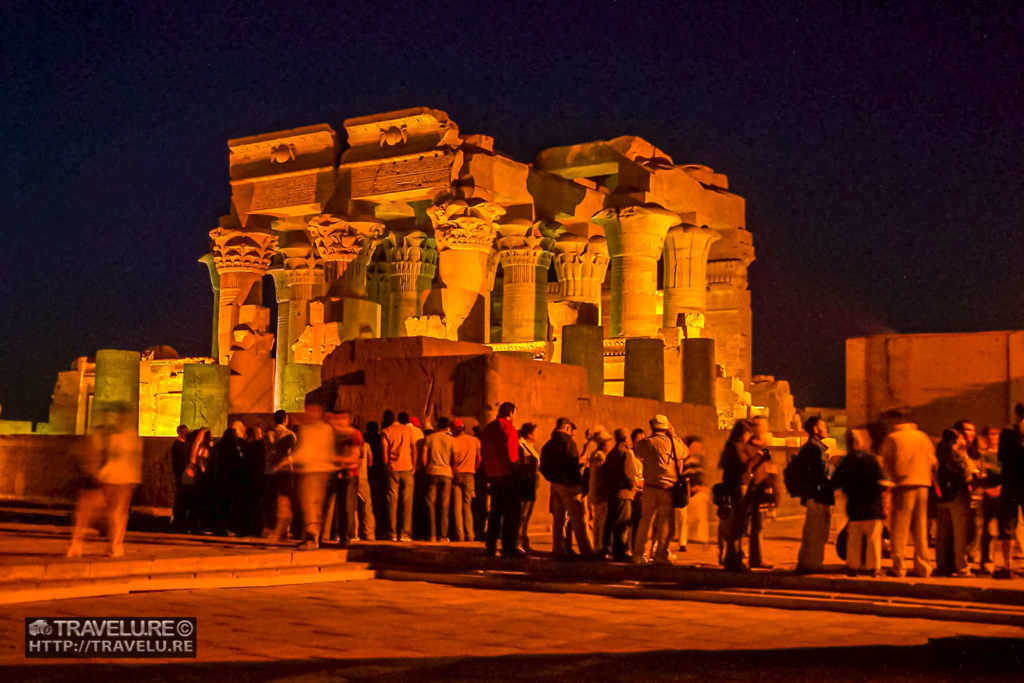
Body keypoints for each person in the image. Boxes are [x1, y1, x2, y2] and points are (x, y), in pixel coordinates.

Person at [67, 406, 143, 558]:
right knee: (102, 509)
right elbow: (102, 453)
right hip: (109, 477)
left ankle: (115, 544)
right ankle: (83, 542)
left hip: (123, 478)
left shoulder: (129, 436)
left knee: (116, 512)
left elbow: (132, 458)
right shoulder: (110, 435)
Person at [879, 408, 937, 578]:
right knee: (920, 528)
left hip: (903, 485)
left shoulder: (893, 438)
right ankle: (923, 567)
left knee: (900, 529)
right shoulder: (923, 437)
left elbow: (885, 464)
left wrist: (889, 481)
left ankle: (899, 566)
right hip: (923, 485)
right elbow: (934, 462)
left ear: (893, 420)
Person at [831, 429, 887, 576]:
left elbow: (836, 480)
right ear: (858, 443)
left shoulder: (846, 461)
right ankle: (874, 568)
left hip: (854, 506)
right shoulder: (871, 460)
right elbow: (879, 480)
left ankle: (852, 566)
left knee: (854, 539)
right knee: (873, 538)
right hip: (872, 505)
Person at [632, 414, 684, 565]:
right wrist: (674, 435)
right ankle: (660, 555)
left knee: (645, 522)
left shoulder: (646, 443)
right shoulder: (673, 443)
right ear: (667, 427)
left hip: (649, 488)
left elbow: (637, 451)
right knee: (665, 525)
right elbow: (684, 452)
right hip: (667, 489)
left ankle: (638, 554)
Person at [719, 419, 770, 572]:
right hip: (736, 489)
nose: (750, 436)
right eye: (748, 432)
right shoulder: (733, 446)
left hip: (742, 488)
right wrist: (757, 458)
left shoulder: (738, 446)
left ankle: (734, 560)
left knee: (739, 526)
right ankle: (732, 561)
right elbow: (743, 467)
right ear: (742, 433)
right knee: (736, 526)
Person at [541, 417, 594, 558]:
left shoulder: (548, 445)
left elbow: (543, 467)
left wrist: (554, 478)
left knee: (558, 520)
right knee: (578, 519)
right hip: (570, 486)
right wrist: (584, 457)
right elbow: (573, 463)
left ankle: (558, 550)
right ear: (567, 428)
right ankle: (586, 551)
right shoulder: (568, 443)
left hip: (554, 485)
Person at [290, 403, 338, 550]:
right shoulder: (326, 429)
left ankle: (312, 538)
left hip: (311, 472)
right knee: (315, 506)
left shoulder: (310, 429)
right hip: (322, 471)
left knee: (310, 505)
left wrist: (287, 461)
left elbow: (304, 452)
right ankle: (316, 537)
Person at [480, 402, 523, 557]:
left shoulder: (488, 428)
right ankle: (508, 546)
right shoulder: (507, 428)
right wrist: (517, 471)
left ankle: (490, 545)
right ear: (510, 412)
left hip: (493, 475)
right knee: (512, 513)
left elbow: (484, 453)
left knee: (495, 512)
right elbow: (511, 455)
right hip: (507, 476)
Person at [795, 416, 834, 574]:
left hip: (813, 494)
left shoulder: (810, 447)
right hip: (818, 495)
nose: (826, 429)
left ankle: (806, 562)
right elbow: (822, 473)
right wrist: (834, 470)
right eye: (823, 426)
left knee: (810, 530)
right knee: (817, 532)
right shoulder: (815, 448)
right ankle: (813, 564)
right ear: (816, 429)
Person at [934, 428, 972, 577]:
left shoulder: (939, 452)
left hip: (942, 497)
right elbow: (966, 473)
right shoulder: (955, 454)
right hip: (957, 496)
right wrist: (963, 452)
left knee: (942, 533)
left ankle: (942, 565)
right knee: (959, 534)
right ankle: (962, 567)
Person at [322, 411, 362, 546]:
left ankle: (345, 537)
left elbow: (355, 459)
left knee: (346, 507)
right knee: (330, 506)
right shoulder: (333, 435)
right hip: (335, 473)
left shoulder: (354, 435)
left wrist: (335, 459)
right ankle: (326, 535)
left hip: (349, 475)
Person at [995, 403, 1024, 579]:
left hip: (1011, 484)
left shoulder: (1008, 433)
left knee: (1007, 525)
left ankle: (1007, 566)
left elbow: (1001, 457)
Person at [602, 428, 638, 560]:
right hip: (624, 493)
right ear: (625, 439)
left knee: (611, 521)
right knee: (622, 523)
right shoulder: (626, 453)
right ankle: (619, 551)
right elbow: (628, 474)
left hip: (612, 492)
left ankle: (607, 549)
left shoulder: (611, 453)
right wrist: (632, 485)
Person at [382, 410, 416, 541]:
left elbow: (385, 452)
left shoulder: (386, 431)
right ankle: (405, 534)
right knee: (407, 502)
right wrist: (413, 465)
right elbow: (414, 448)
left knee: (392, 502)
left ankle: (392, 533)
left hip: (393, 469)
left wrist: (386, 466)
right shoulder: (408, 430)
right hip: (407, 468)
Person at [264, 410, 296, 541]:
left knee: (272, 500)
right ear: (285, 419)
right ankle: (283, 529)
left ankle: (273, 527)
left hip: (270, 470)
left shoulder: (268, 434)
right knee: (285, 499)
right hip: (285, 470)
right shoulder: (290, 435)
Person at [423, 417, 455, 542]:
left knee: (430, 505)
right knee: (444, 506)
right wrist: (451, 470)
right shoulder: (452, 440)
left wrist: (427, 469)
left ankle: (431, 535)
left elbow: (424, 458)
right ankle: (442, 536)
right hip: (446, 473)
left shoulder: (430, 438)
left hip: (432, 472)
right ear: (448, 427)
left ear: (437, 425)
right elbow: (455, 459)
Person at [450, 419, 480, 543]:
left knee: (457, 507)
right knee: (467, 506)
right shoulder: (475, 441)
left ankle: (460, 535)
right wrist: (474, 469)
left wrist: (452, 471)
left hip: (457, 474)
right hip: (470, 474)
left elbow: (455, 459)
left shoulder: (453, 441)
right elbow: (479, 458)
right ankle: (470, 534)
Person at [178, 427, 212, 534]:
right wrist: (203, 470)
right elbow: (199, 461)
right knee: (196, 503)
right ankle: (193, 525)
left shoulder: (205, 447)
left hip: (201, 480)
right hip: (198, 479)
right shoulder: (199, 448)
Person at [517, 422, 541, 552]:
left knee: (527, 515)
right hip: (525, 485)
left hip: (532, 485)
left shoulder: (530, 447)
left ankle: (524, 540)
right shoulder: (522, 446)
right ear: (529, 434)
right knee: (522, 515)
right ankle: (519, 541)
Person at [682, 436, 709, 545]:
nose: (696, 449)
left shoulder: (703, 462)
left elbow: (706, 478)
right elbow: (684, 477)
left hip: (700, 490)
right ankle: (688, 535)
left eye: (698, 447)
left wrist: (702, 488)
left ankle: (700, 536)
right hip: (688, 491)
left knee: (700, 501)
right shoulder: (685, 462)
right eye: (694, 447)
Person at [242, 425, 266, 537]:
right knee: (256, 504)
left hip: (248, 479)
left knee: (250, 504)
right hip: (256, 479)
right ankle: (254, 528)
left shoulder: (245, 446)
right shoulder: (259, 446)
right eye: (260, 434)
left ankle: (249, 527)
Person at [169, 425, 190, 532]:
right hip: (180, 473)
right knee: (180, 496)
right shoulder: (178, 445)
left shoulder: (182, 444)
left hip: (182, 473)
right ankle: (178, 519)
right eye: (185, 432)